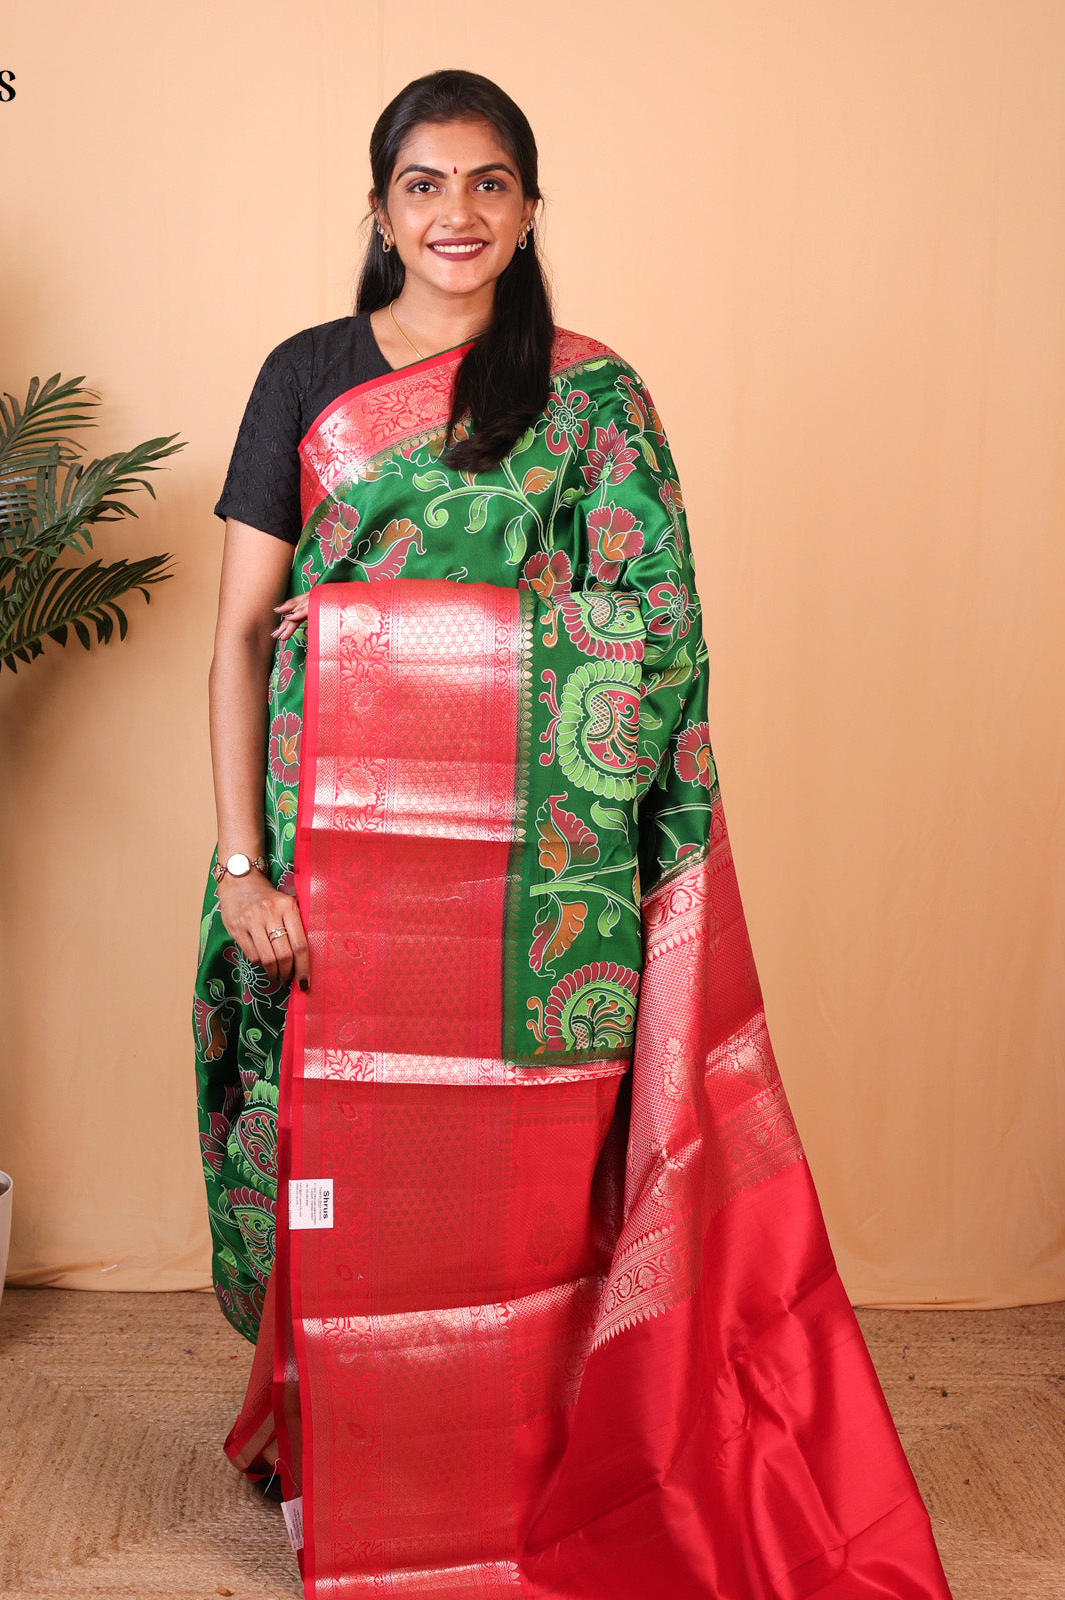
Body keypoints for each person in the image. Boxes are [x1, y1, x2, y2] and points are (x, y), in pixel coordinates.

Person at [194, 67, 954, 1598]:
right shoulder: (307, 376)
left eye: (489, 183)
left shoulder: (592, 399)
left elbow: (654, 635)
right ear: (380, 209)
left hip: (536, 893)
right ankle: (339, 1465)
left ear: (531, 208)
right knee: (332, 1180)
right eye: (423, 183)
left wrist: (413, 649)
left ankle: (505, 1471)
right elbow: (244, 636)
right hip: (329, 865)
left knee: (520, 1199)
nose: (456, 213)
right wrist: (242, 868)